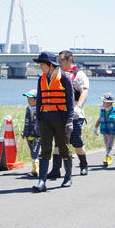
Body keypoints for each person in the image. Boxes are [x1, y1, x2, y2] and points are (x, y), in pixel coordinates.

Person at [33, 50, 75, 191]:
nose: (40, 66)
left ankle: (68, 176)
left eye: (41, 64)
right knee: (45, 149)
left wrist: (69, 121)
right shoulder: (41, 79)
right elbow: (39, 102)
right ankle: (42, 181)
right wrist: (38, 121)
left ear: (50, 65)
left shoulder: (64, 78)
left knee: (63, 148)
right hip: (45, 119)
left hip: (61, 119)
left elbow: (70, 102)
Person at [55, 50, 90, 177]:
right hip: (60, 113)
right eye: (58, 61)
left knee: (75, 140)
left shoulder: (79, 75)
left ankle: (83, 164)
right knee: (58, 141)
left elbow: (84, 91)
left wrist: (78, 107)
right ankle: (56, 169)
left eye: (61, 61)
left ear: (70, 60)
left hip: (75, 113)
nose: (59, 63)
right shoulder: (58, 74)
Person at [93, 92, 115, 167]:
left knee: (109, 144)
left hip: (112, 131)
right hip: (105, 131)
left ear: (109, 103)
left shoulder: (114, 111)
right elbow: (100, 119)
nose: (103, 103)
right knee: (106, 143)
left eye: (104, 101)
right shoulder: (102, 110)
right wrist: (95, 127)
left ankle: (107, 156)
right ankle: (109, 156)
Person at [22, 89, 39, 176]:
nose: (29, 100)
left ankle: (36, 170)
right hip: (29, 134)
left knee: (35, 151)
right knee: (32, 151)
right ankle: (35, 167)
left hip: (38, 134)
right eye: (28, 98)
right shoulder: (28, 109)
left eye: (31, 98)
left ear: (36, 99)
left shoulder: (40, 109)